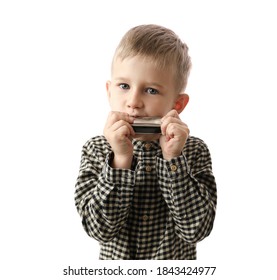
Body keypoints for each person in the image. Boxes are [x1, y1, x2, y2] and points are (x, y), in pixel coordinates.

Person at [74, 24, 217, 260]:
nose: (133, 102)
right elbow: (99, 230)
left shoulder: (193, 151)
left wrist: (173, 159)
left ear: (177, 105)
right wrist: (120, 160)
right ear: (109, 91)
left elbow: (196, 231)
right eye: (124, 86)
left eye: (151, 90)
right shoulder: (97, 150)